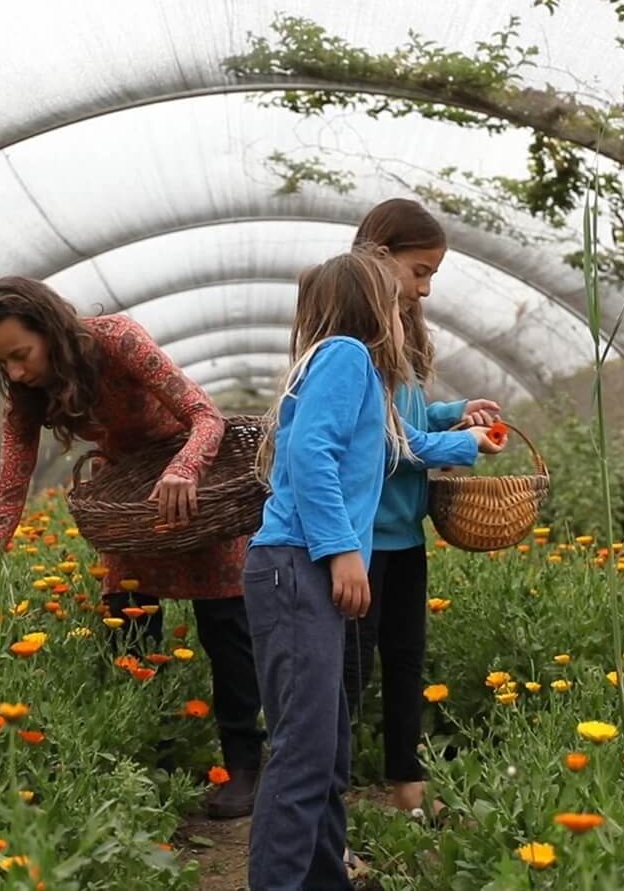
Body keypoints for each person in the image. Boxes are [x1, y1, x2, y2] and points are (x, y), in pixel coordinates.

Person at [0, 276, 264, 819]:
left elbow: (206, 417)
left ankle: (244, 767)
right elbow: (9, 486)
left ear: (51, 330)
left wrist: (185, 469)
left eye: (22, 354)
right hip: (131, 503)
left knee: (226, 627)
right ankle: (151, 768)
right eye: (5, 362)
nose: (16, 371)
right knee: (129, 631)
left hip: (194, 488)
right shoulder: (26, 394)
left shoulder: (116, 340)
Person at [242, 249, 504, 890]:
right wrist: (342, 553)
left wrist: (465, 442)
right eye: (394, 301)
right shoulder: (346, 356)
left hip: (298, 568)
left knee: (326, 752)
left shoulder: (352, 371)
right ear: (373, 308)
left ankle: (323, 878)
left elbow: (397, 447)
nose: (404, 310)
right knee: (305, 755)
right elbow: (311, 454)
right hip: (297, 565)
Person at [344, 199, 500, 819]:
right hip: (361, 541)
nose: (426, 288)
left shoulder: (402, 333)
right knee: (350, 672)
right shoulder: (357, 341)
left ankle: (407, 787)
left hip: (405, 533)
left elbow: (408, 419)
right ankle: (329, 790)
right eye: (420, 271)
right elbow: (384, 443)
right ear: (379, 258)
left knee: (406, 660)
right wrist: (463, 444)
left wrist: (454, 414)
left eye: (433, 275)